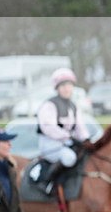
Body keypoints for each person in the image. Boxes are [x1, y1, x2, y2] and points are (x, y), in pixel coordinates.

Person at [36, 67, 90, 195]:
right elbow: (48, 127)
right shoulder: (49, 105)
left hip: (66, 143)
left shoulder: (74, 106)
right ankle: (47, 183)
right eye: (63, 85)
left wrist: (86, 139)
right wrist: (68, 137)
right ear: (57, 88)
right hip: (50, 144)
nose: (67, 88)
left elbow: (80, 127)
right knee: (69, 158)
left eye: (69, 85)